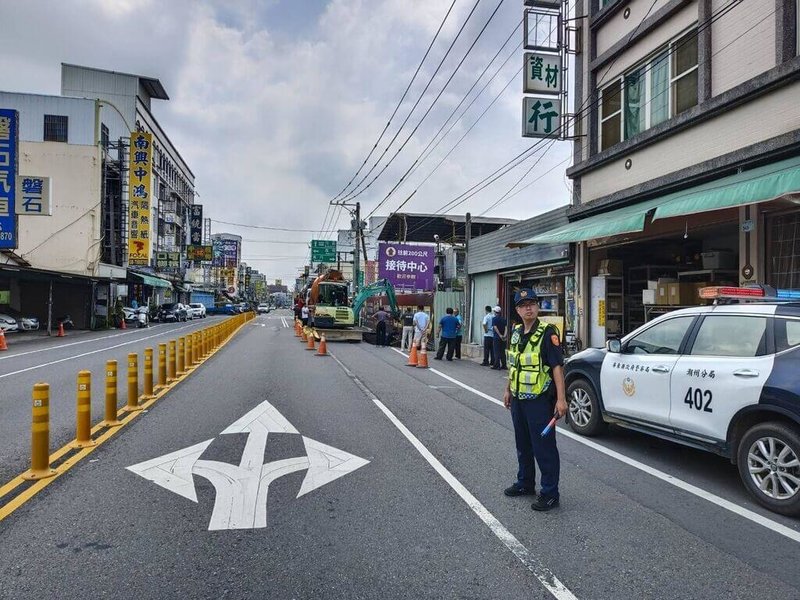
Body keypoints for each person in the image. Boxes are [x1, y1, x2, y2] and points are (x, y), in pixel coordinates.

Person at [502, 289, 567, 512]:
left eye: (532, 303)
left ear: (537, 307)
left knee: (544, 448)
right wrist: (508, 390)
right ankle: (525, 483)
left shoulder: (548, 333)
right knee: (523, 444)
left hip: (540, 401)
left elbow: (557, 367)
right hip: (519, 399)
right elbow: (515, 364)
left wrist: (561, 399)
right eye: (523, 305)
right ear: (518, 310)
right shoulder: (517, 332)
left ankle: (550, 493)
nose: (528, 308)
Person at [491, 306, 507, 370]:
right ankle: (504, 365)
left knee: (496, 351)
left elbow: (495, 327)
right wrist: (504, 335)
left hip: (496, 337)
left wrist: (500, 335)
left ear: (495, 312)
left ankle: (497, 365)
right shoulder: (503, 319)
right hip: (503, 338)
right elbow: (506, 327)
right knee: (502, 351)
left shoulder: (494, 319)